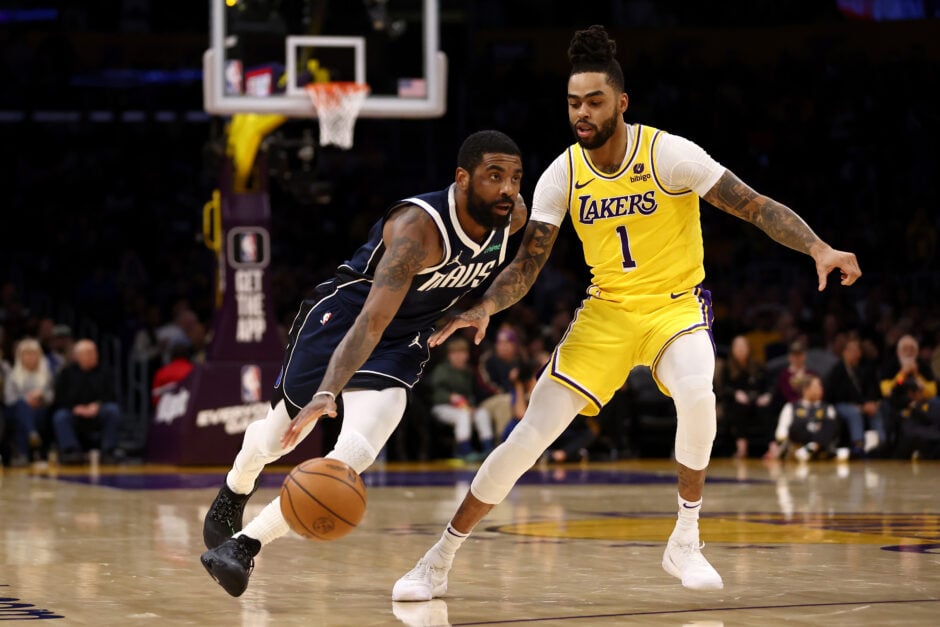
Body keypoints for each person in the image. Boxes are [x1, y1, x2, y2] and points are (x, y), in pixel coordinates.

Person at [392, 24, 861, 601]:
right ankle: (437, 560)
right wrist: (486, 304)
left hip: (673, 307)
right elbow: (528, 264)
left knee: (698, 391)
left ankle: (685, 538)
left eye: (593, 101)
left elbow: (755, 206)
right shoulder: (563, 172)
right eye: (572, 103)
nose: (581, 113)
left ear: (621, 102)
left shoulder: (670, 153)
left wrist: (819, 247)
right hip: (606, 314)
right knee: (526, 438)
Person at [199, 130, 527, 597]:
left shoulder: (511, 217)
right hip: (344, 323)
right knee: (277, 438)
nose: (508, 188)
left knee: (356, 451)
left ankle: (243, 546)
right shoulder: (419, 229)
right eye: (495, 176)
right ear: (462, 179)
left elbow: (526, 266)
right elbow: (370, 321)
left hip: (402, 341)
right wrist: (328, 392)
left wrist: (485, 307)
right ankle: (234, 490)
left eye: (515, 177)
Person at [51, 339, 124, 465]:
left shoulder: (105, 371)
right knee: (60, 416)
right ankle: (71, 451)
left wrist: (97, 405)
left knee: (113, 410)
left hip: (97, 412)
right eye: (89, 352)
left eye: (95, 351)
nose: (94, 355)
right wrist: (75, 408)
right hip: (74, 413)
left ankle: (108, 451)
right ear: (78, 356)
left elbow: (112, 395)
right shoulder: (66, 373)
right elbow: (59, 398)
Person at [428, 336, 495, 461]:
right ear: (449, 355)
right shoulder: (442, 370)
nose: (459, 356)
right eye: (455, 353)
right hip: (442, 407)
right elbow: (435, 393)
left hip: (465, 406)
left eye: (462, 352)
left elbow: (471, 394)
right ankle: (464, 451)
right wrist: (450, 397)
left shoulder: (469, 372)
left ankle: (488, 448)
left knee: (482, 413)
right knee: (462, 415)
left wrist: (470, 405)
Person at [715, 335, 774, 460]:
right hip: (735, 403)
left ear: (748, 348)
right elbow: (723, 388)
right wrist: (736, 393)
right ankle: (742, 447)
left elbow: (768, 385)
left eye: (743, 346)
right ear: (733, 349)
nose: (741, 349)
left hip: (756, 400)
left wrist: (766, 396)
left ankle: (772, 446)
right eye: (738, 347)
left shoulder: (757, 365)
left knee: (765, 409)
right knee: (739, 408)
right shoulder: (727, 367)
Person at [824, 335, 882, 458]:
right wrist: (861, 405)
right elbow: (838, 394)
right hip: (841, 404)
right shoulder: (837, 370)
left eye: (857, 350)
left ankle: (880, 444)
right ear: (844, 352)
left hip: (862, 403)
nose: (855, 353)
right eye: (852, 350)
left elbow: (872, 389)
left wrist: (871, 402)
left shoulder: (865, 368)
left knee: (876, 411)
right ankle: (858, 445)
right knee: (854, 412)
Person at [4, 338, 55, 466]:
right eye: (26, 354)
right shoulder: (13, 375)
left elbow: (52, 396)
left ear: (39, 355)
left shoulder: (47, 374)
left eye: (33, 354)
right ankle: (32, 434)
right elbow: (8, 398)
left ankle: (24, 452)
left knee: (30, 414)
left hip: (41, 409)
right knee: (22, 408)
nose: (30, 357)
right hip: (17, 410)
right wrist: (26, 399)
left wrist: (41, 395)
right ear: (20, 356)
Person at [772, 374, 841, 461]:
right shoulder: (791, 406)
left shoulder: (827, 407)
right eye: (816, 386)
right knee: (796, 425)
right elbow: (781, 431)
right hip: (798, 442)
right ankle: (808, 450)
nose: (821, 389)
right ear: (805, 390)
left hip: (820, 443)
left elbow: (832, 431)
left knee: (830, 423)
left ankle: (811, 448)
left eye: (821, 386)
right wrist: (781, 441)